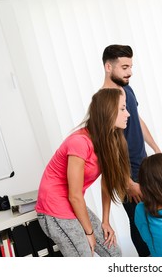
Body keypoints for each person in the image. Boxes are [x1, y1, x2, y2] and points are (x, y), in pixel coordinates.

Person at [35, 88, 131, 257]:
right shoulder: (79, 142)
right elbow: (74, 195)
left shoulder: (109, 140)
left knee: (113, 252)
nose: (128, 113)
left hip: (73, 203)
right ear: (108, 112)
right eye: (122, 109)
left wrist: (106, 221)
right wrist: (89, 233)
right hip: (54, 208)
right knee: (85, 256)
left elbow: (107, 182)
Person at [101, 44, 161, 257]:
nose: (130, 72)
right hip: (128, 174)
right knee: (139, 225)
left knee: (155, 221)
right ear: (109, 67)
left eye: (131, 66)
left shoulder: (127, 88)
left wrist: (155, 148)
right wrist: (127, 182)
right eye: (124, 67)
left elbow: (137, 119)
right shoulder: (105, 101)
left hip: (144, 165)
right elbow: (108, 151)